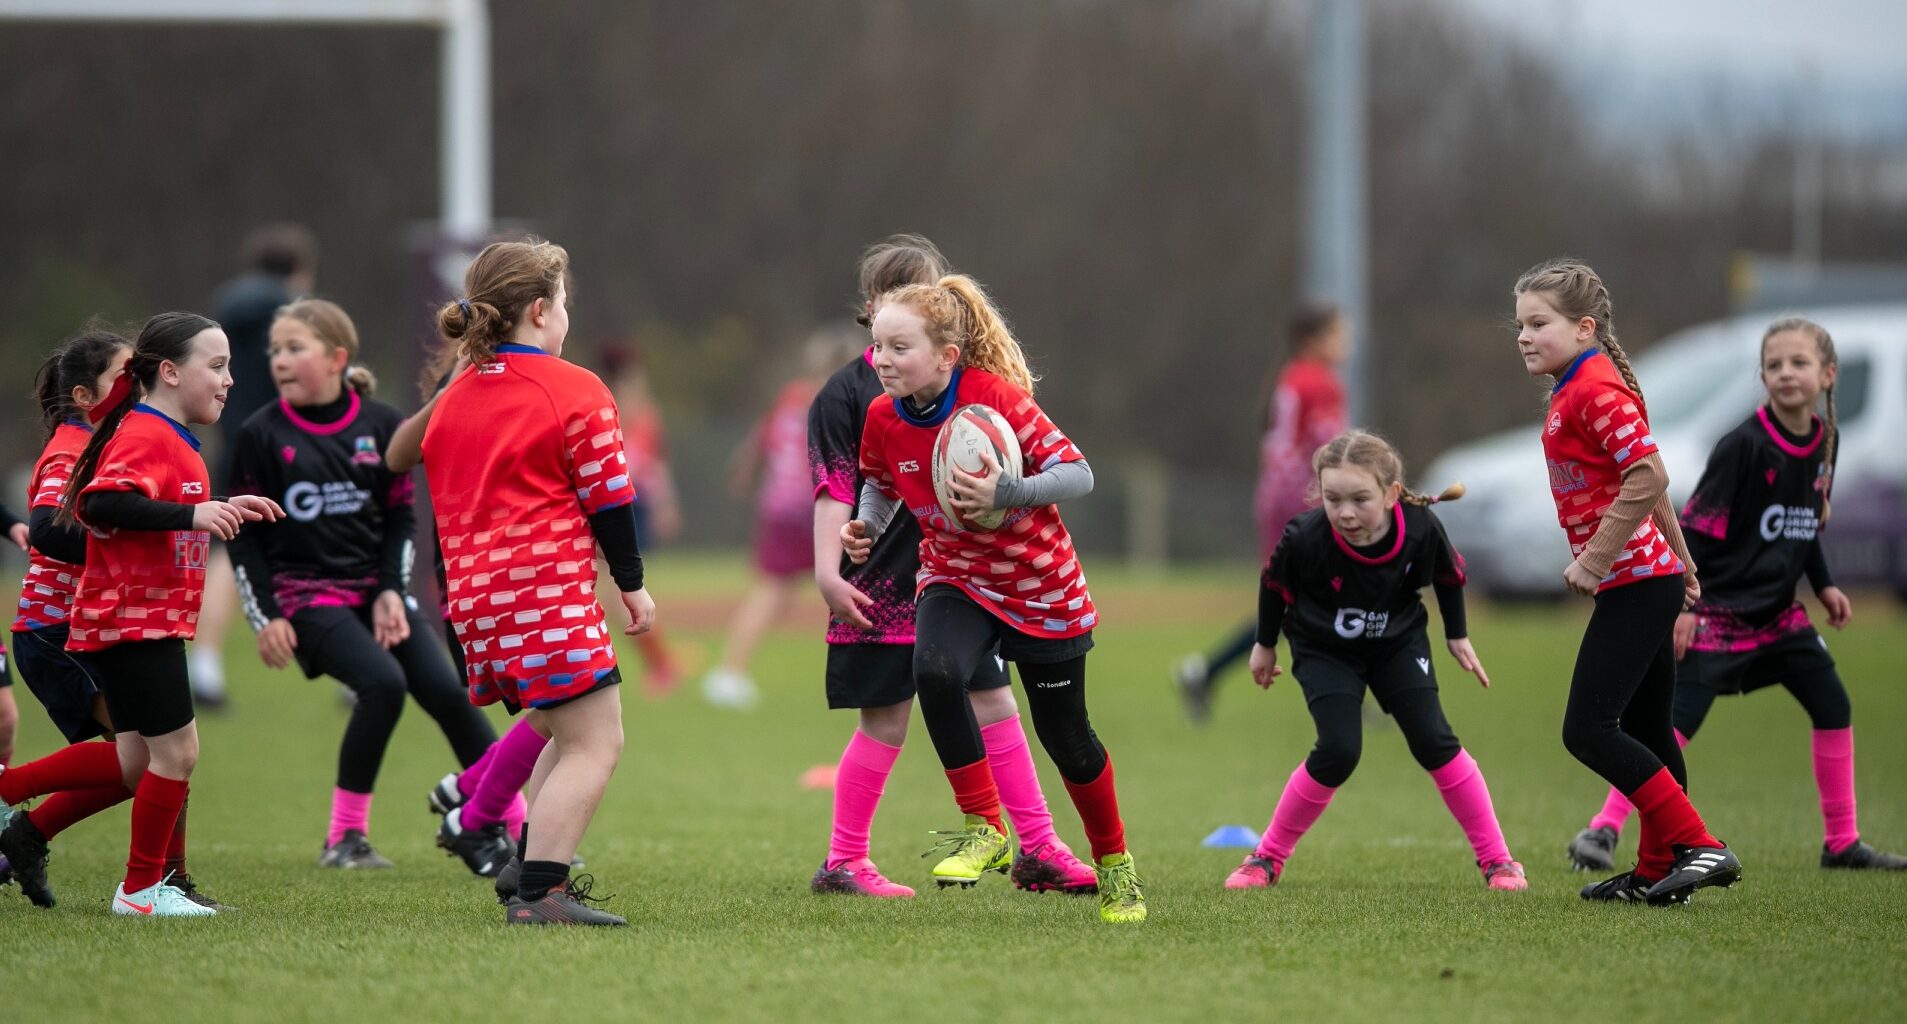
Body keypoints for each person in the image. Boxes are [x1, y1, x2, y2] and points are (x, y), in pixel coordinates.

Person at [846, 274, 1144, 923]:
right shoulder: (879, 416)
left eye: (899, 347)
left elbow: (1078, 472)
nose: (883, 361)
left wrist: (1007, 492)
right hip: (956, 576)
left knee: (1067, 738)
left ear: (946, 355)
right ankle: (984, 824)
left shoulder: (993, 399)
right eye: (877, 347)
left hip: (1039, 586)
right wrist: (864, 525)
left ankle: (1115, 865)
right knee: (935, 669)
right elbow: (879, 484)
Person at [807, 235, 1095, 899]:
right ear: (876, 310)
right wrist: (829, 571)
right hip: (877, 584)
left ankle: (1039, 847)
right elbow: (838, 488)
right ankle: (844, 859)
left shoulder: (970, 390)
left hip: (963, 582)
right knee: (885, 719)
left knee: (994, 700)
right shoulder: (850, 396)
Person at [1567, 316, 1904, 873]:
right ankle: (1604, 828)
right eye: (1774, 365)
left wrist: (1824, 585)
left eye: (1798, 364)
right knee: (1668, 725)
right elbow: (1694, 530)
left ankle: (1842, 843)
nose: (1785, 374)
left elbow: (1803, 523)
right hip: (1718, 614)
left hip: (1779, 618)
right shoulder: (1743, 446)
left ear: (1828, 375)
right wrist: (1684, 606)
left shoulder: (1826, 441)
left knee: (1833, 704)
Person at [1, 313, 283, 918]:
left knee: (134, 761)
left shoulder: (167, 435)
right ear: (170, 371)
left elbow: (151, 507)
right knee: (176, 754)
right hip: (135, 620)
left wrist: (217, 506)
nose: (230, 379)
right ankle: (142, 892)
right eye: (217, 365)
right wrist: (193, 516)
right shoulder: (148, 432)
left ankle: (11, 797)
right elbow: (99, 501)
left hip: (133, 620)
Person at [421, 238, 656, 926]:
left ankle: (526, 868)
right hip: (544, 593)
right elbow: (610, 498)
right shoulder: (573, 387)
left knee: (563, 726)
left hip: (475, 602)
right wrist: (633, 584)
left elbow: (441, 513)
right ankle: (541, 893)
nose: (565, 317)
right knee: (595, 741)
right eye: (563, 304)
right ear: (537, 311)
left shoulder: (453, 395)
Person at [226, 299, 498, 869]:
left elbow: (402, 520)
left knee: (449, 693)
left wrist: (390, 592)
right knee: (382, 685)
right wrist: (266, 615)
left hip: (376, 591)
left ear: (336, 358)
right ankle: (344, 838)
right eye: (274, 349)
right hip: (306, 599)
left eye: (294, 347)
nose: (279, 360)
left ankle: (515, 828)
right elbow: (243, 539)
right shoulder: (259, 435)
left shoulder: (381, 424)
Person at [1514, 257, 1739, 906]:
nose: (1524, 336)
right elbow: (1640, 480)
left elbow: (1648, 476)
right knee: (1649, 733)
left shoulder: (1592, 389)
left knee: (1586, 729)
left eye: (1538, 323)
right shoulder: (1573, 385)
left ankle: (1699, 846)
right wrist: (1685, 564)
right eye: (1520, 325)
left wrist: (1594, 559)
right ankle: (1653, 871)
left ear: (1584, 327)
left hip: (1636, 582)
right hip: (1649, 578)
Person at [1222, 431, 1525, 892]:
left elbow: (1450, 574)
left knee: (1434, 740)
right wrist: (1264, 645)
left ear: (1391, 494)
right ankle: (1265, 859)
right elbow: (1273, 585)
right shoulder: (1305, 537)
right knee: (1340, 750)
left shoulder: (1420, 528)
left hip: (1397, 644)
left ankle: (1499, 862)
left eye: (1360, 499)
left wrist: (1456, 635)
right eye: (1333, 498)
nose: (1345, 512)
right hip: (1324, 650)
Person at [1176, 305, 1348, 721]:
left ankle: (1205, 672)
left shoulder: (1289, 377)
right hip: (1303, 499)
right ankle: (1350, 690)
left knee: (1300, 601)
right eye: (1337, 335)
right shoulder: (1320, 383)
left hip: (1275, 496)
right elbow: (1334, 450)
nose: (1345, 344)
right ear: (1312, 340)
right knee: (1326, 595)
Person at [193, 223, 321, 710]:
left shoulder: (225, 313)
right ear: (300, 271)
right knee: (334, 535)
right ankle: (357, 671)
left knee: (226, 550)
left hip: (236, 443)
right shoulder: (295, 317)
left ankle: (204, 667)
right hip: (293, 444)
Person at [701, 332, 851, 709]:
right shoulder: (838, 401)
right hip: (815, 509)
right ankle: (896, 677)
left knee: (772, 592)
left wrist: (744, 473)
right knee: (871, 587)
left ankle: (729, 672)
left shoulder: (791, 397)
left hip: (778, 508)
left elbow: (759, 442)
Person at [601, 342, 686, 696]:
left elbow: (654, 466)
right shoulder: (609, 409)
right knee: (612, 594)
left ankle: (661, 665)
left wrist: (666, 504)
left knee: (617, 594)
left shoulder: (640, 416)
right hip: (613, 505)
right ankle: (660, 663)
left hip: (628, 507)